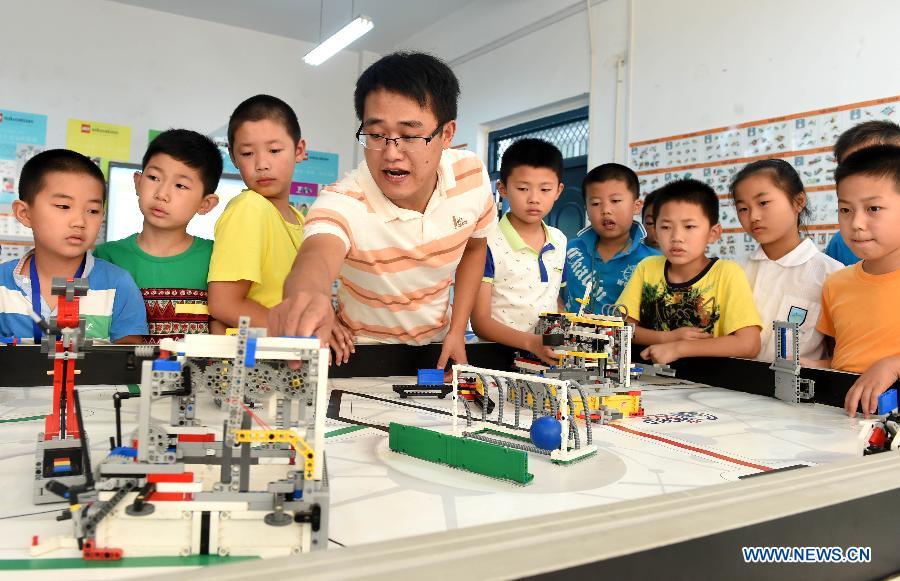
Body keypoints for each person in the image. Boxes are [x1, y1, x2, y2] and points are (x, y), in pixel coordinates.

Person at [270, 52, 498, 371]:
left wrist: (458, 330)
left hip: (435, 350)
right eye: (376, 135)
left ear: (446, 134)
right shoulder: (343, 201)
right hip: (358, 355)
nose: (391, 153)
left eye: (409, 136)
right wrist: (307, 295)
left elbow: (475, 247)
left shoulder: (471, 176)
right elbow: (317, 256)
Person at [0, 149, 147, 342]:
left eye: (93, 210)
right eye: (63, 206)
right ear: (25, 214)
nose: (79, 221)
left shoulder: (118, 285)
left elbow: (129, 365)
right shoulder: (2, 285)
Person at [94, 129, 223, 342]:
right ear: (137, 182)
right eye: (154, 177)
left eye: (180, 185)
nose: (162, 194)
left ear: (205, 204)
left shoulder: (217, 258)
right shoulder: (108, 256)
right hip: (126, 374)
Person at [616, 179, 761, 364]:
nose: (676, 237)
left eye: (689, 227)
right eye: (666, 227)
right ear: (655, 231)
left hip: (707, 385)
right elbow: (621, 327)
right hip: (645, 380)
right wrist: (667, 338)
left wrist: (679, 348)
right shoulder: (647, 267)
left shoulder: (727, 273)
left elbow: (749, 344)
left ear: (713, 233)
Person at [813, 145, 900, 417]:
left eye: (873, 208)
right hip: (843, 417)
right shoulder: (836, 284)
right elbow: (845, 359)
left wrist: (893, 365)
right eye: (845, 210)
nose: (856, 223)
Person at [207, 95, 306, 330]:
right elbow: (224, 304)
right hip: (255, 359)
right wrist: (298, 331)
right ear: (233, 157)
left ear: (299, 150)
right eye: (248, 153)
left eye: (274, 150)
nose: (262, 163)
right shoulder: (250, 207)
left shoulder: (300, 219)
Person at [731, 159, 841, 361]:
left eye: (763, 203)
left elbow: (841, 357)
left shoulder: (831, 274)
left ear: (798, 202)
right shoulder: (734, 272)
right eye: (743, 209)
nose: (753, 216)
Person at [471, 138, 566, 364]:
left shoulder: (560, 240)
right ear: (502, 188)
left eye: (545, 189)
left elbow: (556, 300)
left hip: (544, 359)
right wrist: (530, 342)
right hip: (495, 359)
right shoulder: (486, 241)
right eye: (523, 188)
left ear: (559, 191)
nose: (534, 198)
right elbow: (480, 322)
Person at [563, 163, 659, 314]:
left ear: (636, 206)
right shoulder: (570, 250)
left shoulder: (654, 261)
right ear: (586, 210)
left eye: (615, 201)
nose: (606, 210)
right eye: (595, 203)